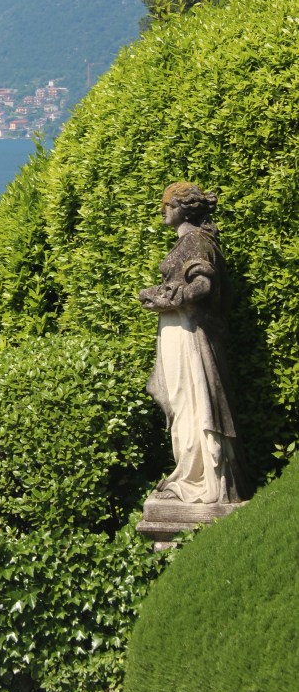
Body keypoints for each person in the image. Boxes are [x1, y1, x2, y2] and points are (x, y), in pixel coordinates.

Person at [139, 182, 247, 504]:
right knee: (182, 400)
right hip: (179, 331)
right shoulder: (189, 243)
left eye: (168, 205)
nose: (163, 210)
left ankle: (200, 480)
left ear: (184, 209)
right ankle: (191, 472)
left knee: (191, 400)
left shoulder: (194, 243)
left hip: (189, 334)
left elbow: (202, 285)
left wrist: (169, 300)